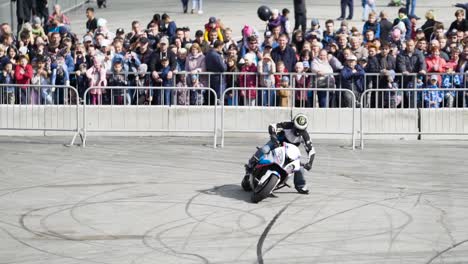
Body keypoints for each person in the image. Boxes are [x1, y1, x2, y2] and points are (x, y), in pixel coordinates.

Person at [242, 113, 316, 195]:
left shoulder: (305, 136)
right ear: (293, 124)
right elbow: (272, 126)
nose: (298, 132)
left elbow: (311, 151)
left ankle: (300, 186)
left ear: (305, 128)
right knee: (264, 149)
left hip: (290, 151)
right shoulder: (287, 125)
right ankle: (249, 168)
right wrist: (273, 136)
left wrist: (310, 163)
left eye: (301, 130)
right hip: (277, 143)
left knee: (299, 166)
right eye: (297, 129)